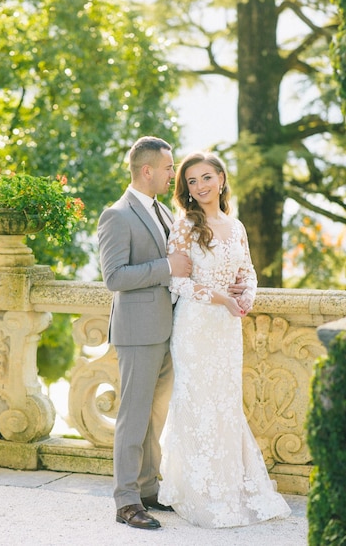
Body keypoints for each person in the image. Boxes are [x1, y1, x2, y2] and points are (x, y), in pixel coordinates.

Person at [158, 151, 292, 528]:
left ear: (220, 178)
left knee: (225, 403)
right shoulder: (185, 226)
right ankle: (195, 490)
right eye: (191, 181)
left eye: (205, 178)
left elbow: (247, 271)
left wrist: (246, 295)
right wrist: (221, 298)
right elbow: (177, 281)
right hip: (196, 324)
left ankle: (228, 485)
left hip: (228, 328)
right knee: (197, 402)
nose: (199, 187)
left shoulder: (237, 227)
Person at [97, 136, 192, 530]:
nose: (174, 175)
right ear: (148, 170)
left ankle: (148, 489)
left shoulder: (161, 210)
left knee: (155, 418)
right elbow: (114, 277)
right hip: (137, 333)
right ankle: (126, 501)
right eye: (169, 168)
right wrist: (168, 268)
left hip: (167, 330)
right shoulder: (116, 215)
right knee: (132, 418)